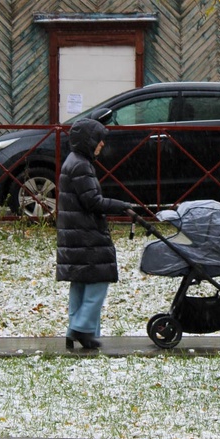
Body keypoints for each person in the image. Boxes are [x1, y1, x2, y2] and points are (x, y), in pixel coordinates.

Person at [56, 118, 133, 350]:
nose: (101, 145)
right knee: (98, 281)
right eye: (99, 141)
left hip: (75, 234)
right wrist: (120, 205)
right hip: (86, 235)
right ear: (89, 141)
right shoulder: (81, 165)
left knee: (81, 282)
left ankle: (74, 329)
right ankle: (83, 328)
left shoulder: (74, 161)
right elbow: (92, 201)